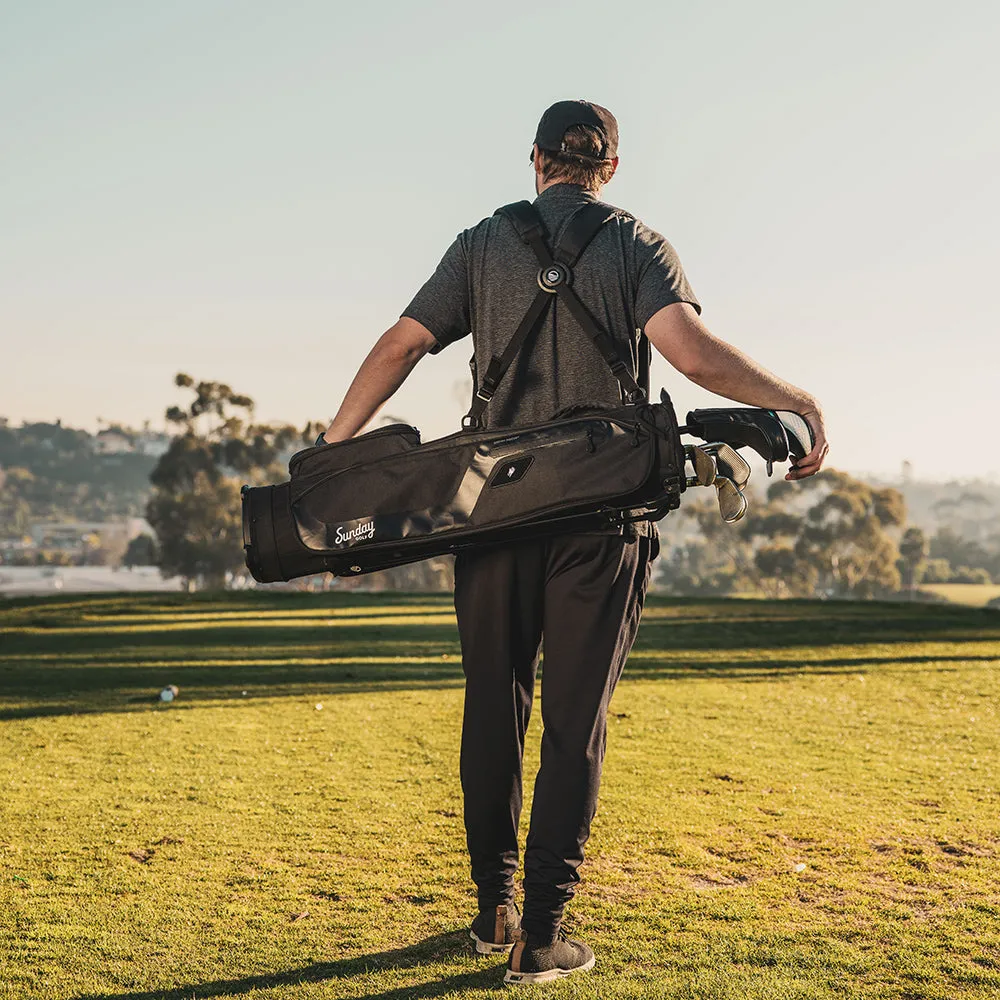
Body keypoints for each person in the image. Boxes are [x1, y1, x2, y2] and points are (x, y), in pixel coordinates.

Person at [321, 100, 829, 986]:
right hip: (602, 522)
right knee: (573, 725)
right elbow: (694, 357)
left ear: (535, 158)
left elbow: (404, 343)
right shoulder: (635, 242)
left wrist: (335, 452)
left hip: (493, 519)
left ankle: (492, 915)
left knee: (495, 706)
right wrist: (801, 400)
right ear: (611, 168)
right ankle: (543, 936)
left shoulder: (482, 243)